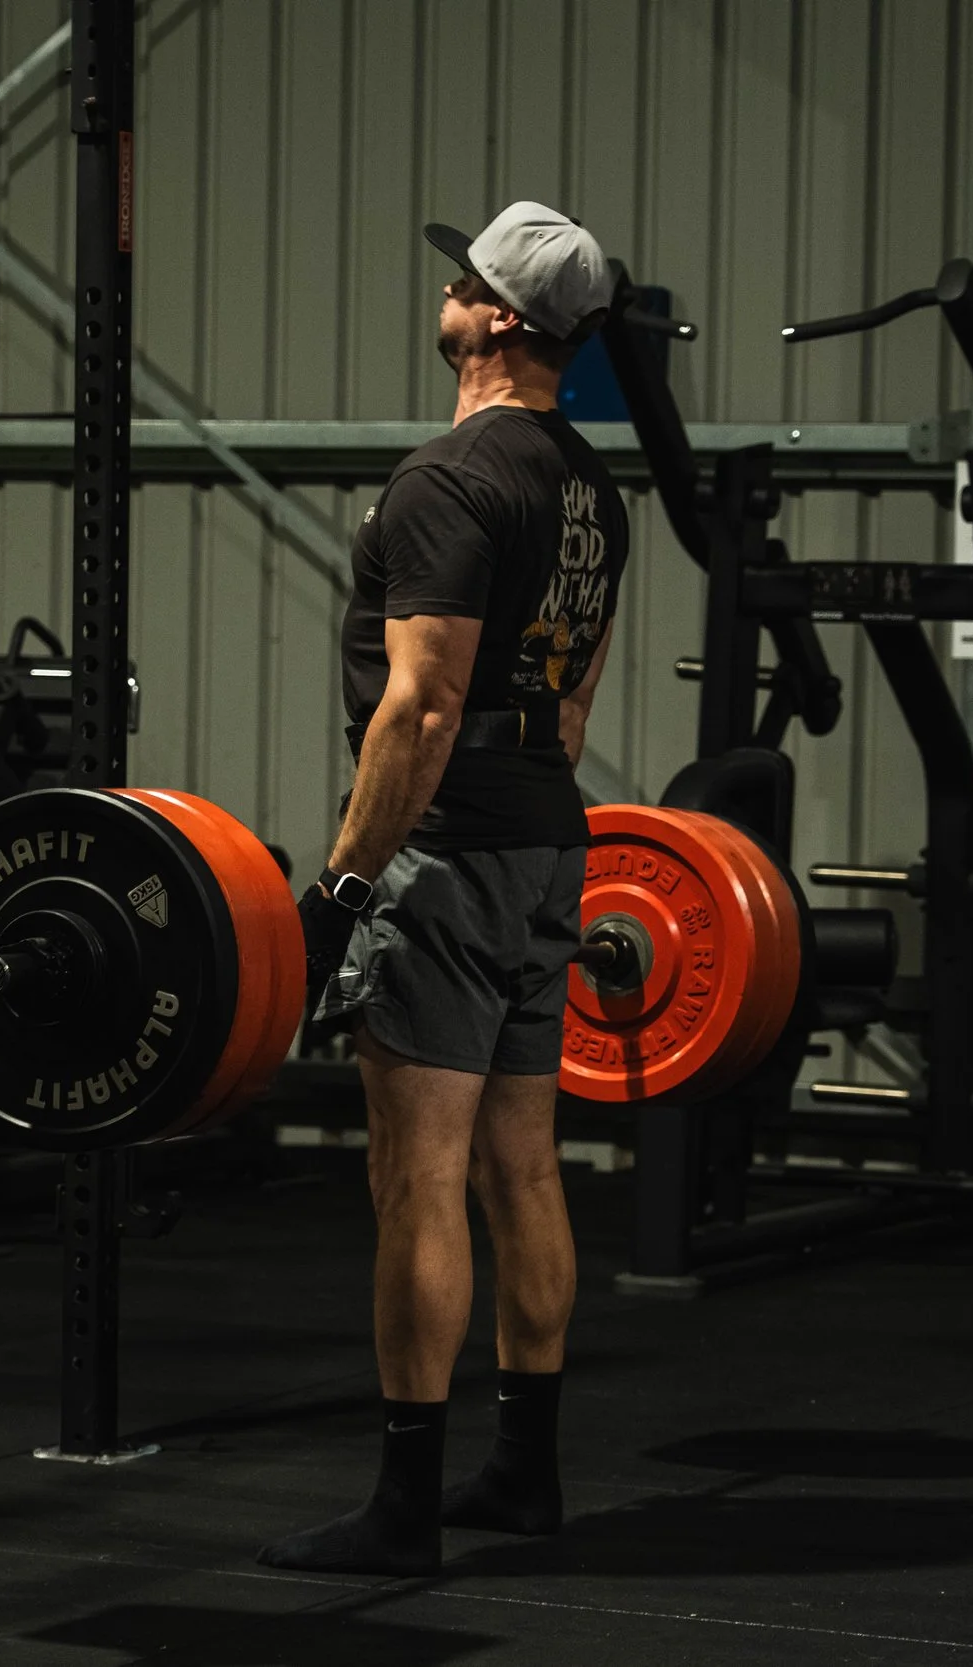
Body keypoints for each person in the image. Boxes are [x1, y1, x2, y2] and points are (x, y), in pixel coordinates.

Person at [259, 202, 632, 1577]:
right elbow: (570, 707)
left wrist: (342, 889)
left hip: (451, 852)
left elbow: (419, 710)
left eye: (463, 280)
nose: (447, 290)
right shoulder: (591, 489)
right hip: (546, 840)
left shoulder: (446, 482)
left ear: (499, 321)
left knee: (415, 1174)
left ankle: (405, 1507)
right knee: (522, 1163)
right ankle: (524, 1475)